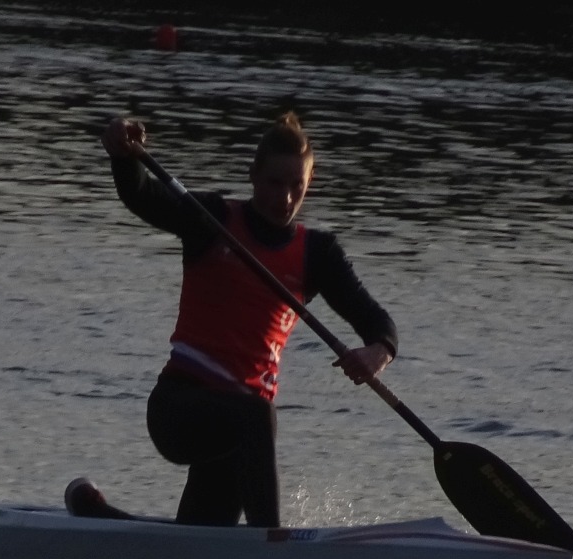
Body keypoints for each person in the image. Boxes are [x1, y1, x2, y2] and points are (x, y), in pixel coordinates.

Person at [101, 112, 398, 528]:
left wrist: (378, 353)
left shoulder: (318, 254)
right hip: (179, 409)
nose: (286, 198)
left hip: (238, 431)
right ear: (253, 175)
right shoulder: (212, 220)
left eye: (297, 186)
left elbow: (375, 320)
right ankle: (270, 544)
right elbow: (142, 195)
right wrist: (122, 154)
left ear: (309, 182)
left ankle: (104, 519)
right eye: (275, 183)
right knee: (257, 415)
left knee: (204, 544)